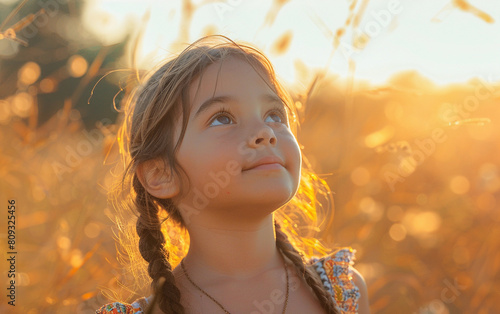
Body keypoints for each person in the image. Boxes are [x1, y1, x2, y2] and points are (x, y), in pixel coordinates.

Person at [96, 35, 369, 314]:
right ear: (160, 174)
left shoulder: (340, 290)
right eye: (222, 118)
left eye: (274, 114)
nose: (266, 132)